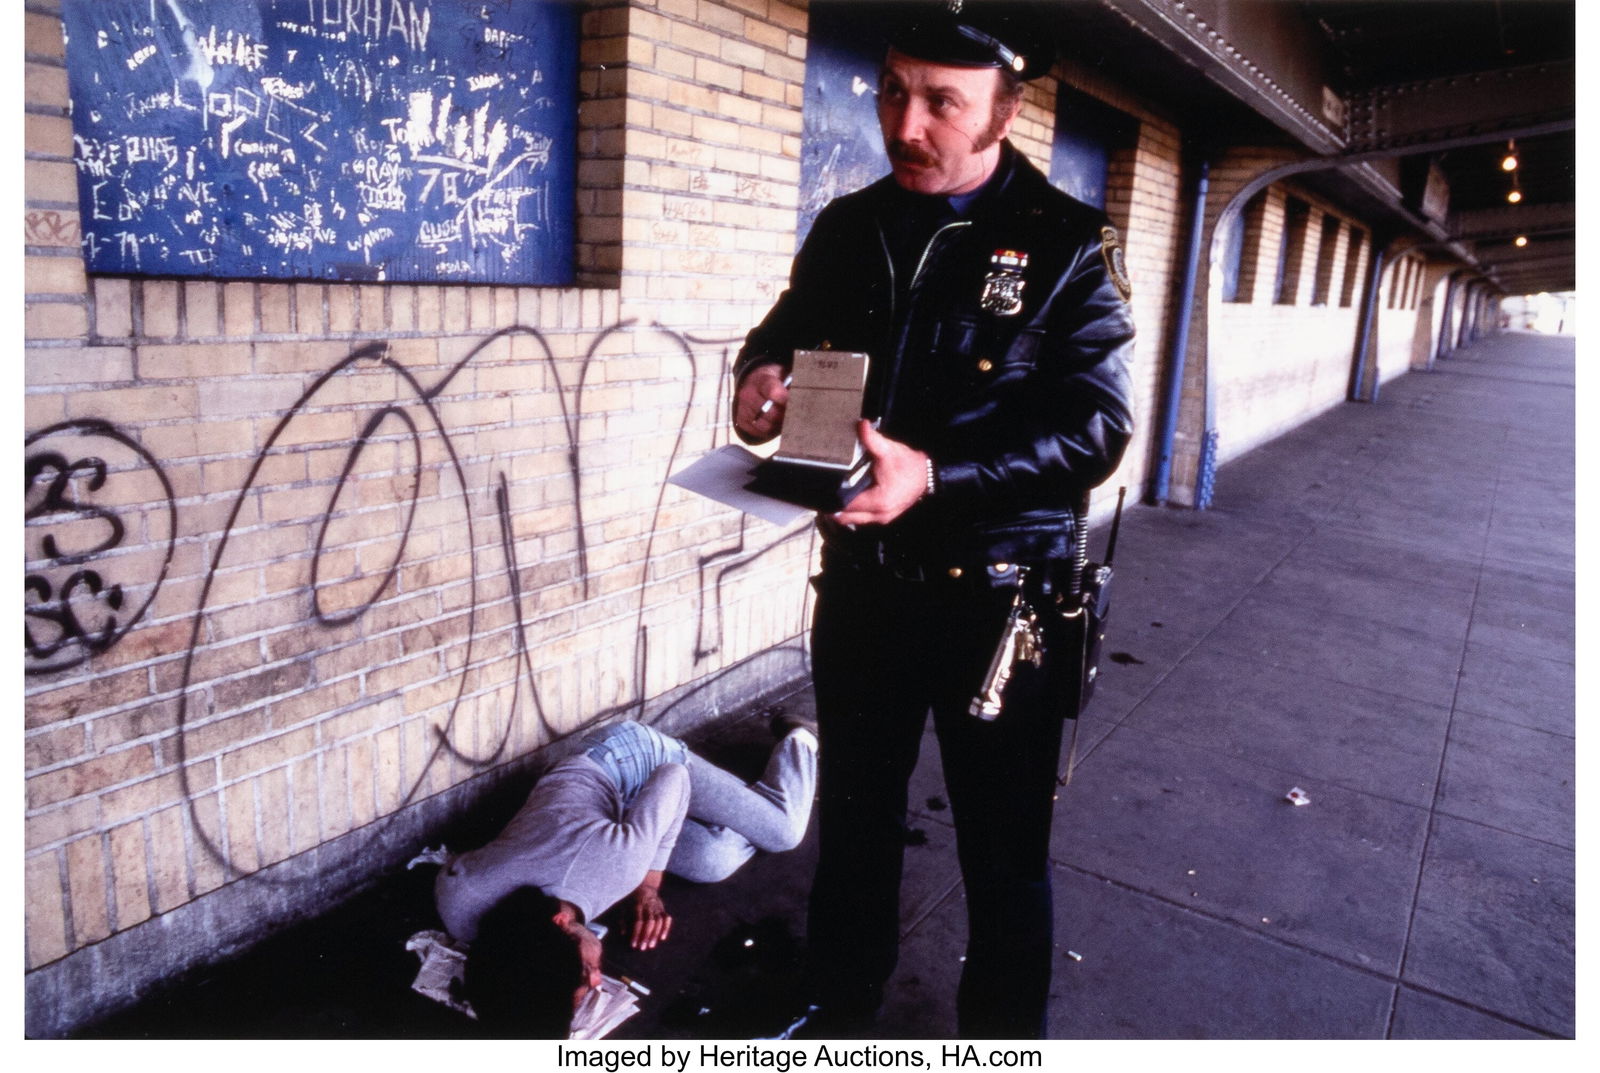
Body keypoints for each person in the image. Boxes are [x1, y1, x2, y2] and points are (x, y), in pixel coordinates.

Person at [731, 1, 1135, 1040]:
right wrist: (758, 375)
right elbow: (783, 328)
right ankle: (836, 998)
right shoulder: (847, 225)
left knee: (1001, 851)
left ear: (1003, 110)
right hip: (864, 584)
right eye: (892, 93)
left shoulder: (1067, 245)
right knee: (857, 819)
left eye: (941, 103)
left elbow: (1097, 427)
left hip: (1002, 603)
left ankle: (1000, 1039)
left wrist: (940, 473)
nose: (905, 125)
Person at [433, 718, 818, 1035]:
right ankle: (726, 811)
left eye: (587, 973)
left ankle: (800, 738)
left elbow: (675, 776)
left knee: (782, 831)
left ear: (562, 922)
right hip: (602, 818)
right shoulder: (460, 907)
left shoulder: (618, 868)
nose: (598, 981)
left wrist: (648, 887)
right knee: (712, 861)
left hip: (633, 759)